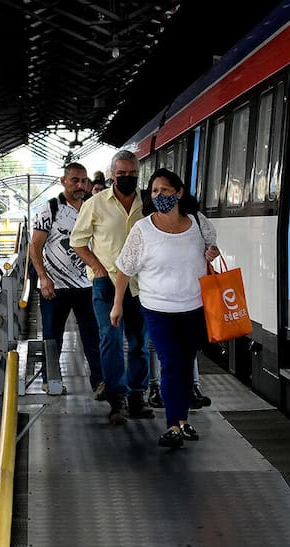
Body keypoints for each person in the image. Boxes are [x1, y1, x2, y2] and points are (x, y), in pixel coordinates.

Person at [112, 169, 219, 448]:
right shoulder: (143, 229)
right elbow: (124, 269)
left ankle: (182, 420)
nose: (159, 196)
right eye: (155, 191)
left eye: (165, 191)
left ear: (179, 193)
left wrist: (212, 253)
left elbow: (212, 247)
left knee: (184, 365)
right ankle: (173, 425)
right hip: (158, 308)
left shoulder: (197, 223)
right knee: (171, 364)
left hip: (193, 306)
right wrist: (117, 305)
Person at [70, 150, 155, 425]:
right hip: (106, 283)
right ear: (111, 175)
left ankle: (137, 397)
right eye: (122, 175)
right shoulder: (95, 204)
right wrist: (96, 268)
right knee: (111, 340)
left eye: (132, 174)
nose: (127, 178)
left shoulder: (149, 203)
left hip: (142, 283)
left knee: (140, 342)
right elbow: (78, 242)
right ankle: (116, 399)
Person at [31, 163, 105, 398]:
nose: (80, 185)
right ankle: (50, 380)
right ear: (63, 181)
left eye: (84, 181)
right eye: (75, 180)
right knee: (53, 337)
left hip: (87, 285)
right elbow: (34, 246)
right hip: (55, 287)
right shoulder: (50, 209)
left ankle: (100, 381)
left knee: (93, 335)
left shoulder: (92, 208)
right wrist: (43, 277)